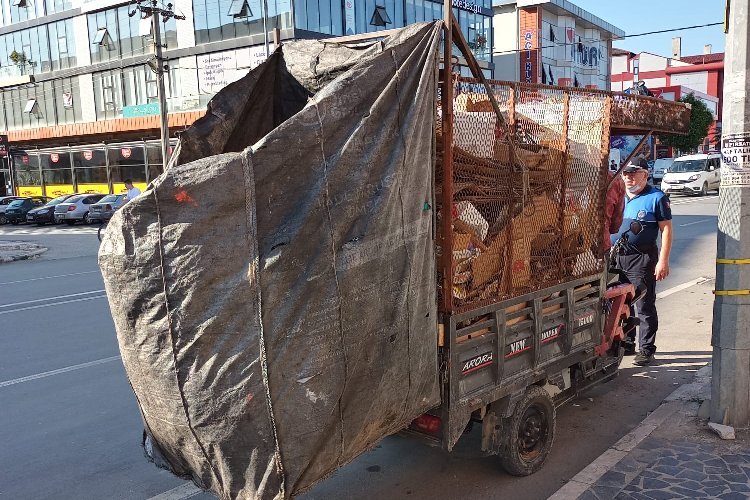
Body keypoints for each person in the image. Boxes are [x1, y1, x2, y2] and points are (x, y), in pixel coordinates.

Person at [611, 159, 672, 366]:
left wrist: (663, 261)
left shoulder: (656, 198)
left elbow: (666, 230)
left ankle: (646, 349)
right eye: (625, 174)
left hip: (643, 257)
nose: (628, 177)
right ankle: (627, 342)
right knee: (620, 301)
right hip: (617, 256)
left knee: (644, 302)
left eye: (633, 173)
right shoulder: (618, 196)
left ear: (645, 174)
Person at [603, 171, 625, 256]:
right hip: (600, 245)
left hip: (564, 246)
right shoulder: (614, 180)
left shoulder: (615, 180)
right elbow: (615, 224)